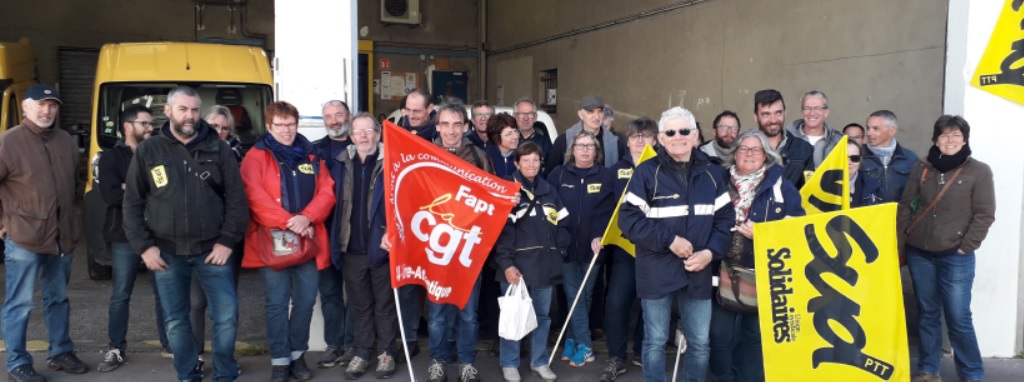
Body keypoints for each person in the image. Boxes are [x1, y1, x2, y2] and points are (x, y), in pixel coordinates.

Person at [123, 86, 249, 382]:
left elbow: (236, 201)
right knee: (176, 321)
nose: (189, 115)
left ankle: (224, 373)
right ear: (167, 112)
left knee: (227, 317)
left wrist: (227, 241)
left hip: (212, 252)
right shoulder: (148, 150)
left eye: (194, 109)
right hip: (166, 253)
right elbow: (132, 205)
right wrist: (144, 248)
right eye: (182, 109)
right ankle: (188, 374)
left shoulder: (218, 148)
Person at [618, 106, 734, 382]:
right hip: (656, 271)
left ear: (695, 135)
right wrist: (669, 240)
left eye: (684, 130)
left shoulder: (713, 174)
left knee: (700, 344)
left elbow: (726, 221)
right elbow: (628, 220)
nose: (678, 136)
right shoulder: (646, 172)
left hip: (699, 270)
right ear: (660, 138)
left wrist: (710, 253)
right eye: (670, 132)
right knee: (655, 341)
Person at [240, 101, 336, 381]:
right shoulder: (255, 157)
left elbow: (327, 191)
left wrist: (307, 217)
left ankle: (298, 356)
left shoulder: (311, 155)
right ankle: (280, 361)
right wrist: (290, 222)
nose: (286, 130)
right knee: (277, 305)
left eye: (291, 124)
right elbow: (254, 197)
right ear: (269, 127)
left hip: (307, 241)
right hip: (273, 243)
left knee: (305, 303)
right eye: (279, 125)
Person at [0, 84, 88, 381]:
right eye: (40, 104)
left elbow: (73, 184)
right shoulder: (8, 142)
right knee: (20, 302)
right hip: (24, 237)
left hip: (61, 236)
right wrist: (4, 221)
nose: (47, 110)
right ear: (25, 106)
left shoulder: (64, 140)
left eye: (52, 105)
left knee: (58, 297)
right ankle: (17, 362)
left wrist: (73, 217)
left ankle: (60, 351)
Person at [898, 115, 995, 382]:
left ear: (964, 140)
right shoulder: (922, 168)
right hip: (920, 253)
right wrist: (902, 243)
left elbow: (985, 214)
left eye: (956, 136)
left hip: (955, 257)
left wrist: (966, 247)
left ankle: (972, 374)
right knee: (927, 313)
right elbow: (906, 205)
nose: (949, 140)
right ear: (935, 139)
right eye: (944, 135)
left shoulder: (979, 171)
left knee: (958, 317)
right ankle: (929, 370)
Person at [708, 130, 804, 382]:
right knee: (719, 334)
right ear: (734, 153)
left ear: (766, 155)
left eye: (756, 149)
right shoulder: (717, 180)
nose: (749, 154)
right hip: (721, 270)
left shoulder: (781, 185)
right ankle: (721, 377)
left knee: (754, 336)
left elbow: (797, 227)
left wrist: (763, 233)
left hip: (763, 272)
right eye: (743, 148)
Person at [424, 104, 494, 382]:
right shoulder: (425, 154)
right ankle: (437, 360)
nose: (451, 130)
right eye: (445, 124)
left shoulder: (478, 155)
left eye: (457, 125)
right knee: (437, 314)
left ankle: (466, 362)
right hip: (436, 246)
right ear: (437, 126)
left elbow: (491, 196)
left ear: (466, 127)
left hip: (468, 247)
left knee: (468, 314)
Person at [97, 104, 169, 372]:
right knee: (120, 294)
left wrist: (130, 187)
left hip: (158, 235)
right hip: (124, 235)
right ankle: (116, 347)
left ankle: (169, 344)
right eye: (145, 124)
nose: (151, 128)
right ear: (128, 127)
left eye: (152, 124)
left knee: (164, 292)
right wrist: (140, 190)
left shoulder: (158, 155)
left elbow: (165, 191)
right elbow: (111, 195)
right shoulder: (111, 158)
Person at [494, 141, 567, 382]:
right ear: (516, 163)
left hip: (546, 267)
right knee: (513, 316)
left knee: (542, 317)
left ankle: (539, 361)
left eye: (535, 160)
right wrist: (506, 264)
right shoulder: (508, 190)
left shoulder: (548, 190)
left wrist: (560, 251)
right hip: (517, 268)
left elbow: (563, 224)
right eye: (526, 160)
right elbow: (498, 231)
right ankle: (510, 363)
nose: (531, 164)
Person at [338, 114, 399, 380]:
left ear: (377, 134)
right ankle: (362, 353)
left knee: (384, 305)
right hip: (351, 248)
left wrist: (393, 232)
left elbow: (403, 203)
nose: (363, 136)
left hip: (382, 249)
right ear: (351, 136)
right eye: (358, 132)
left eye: (368, 131)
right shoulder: (340, 163)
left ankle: (386, 353)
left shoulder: (392, 163)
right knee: (360, 306)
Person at [548, 132, 615, 368]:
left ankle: (572, 341)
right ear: (572, 150)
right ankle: (584, 346)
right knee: (573, 295)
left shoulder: (605, 176)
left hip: (593, 249)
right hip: (565, 248)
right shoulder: (559, 174)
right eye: (580, 145)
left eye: (590, 146)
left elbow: (607, 211)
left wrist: (599, 234)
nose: (585, 150)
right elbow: (550, 207)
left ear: (596, 151)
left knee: (583, 296)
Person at [600, 117, 658, 381]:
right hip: (625, 248)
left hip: (656, 250)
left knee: (652, 305)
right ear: (627, 140)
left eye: (645, 136)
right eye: (634, 136)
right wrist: (598, 235)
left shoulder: (663, 168)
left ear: (655, 140)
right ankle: (616, 357)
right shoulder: (615, 170)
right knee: (615, 303)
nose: (639, 140)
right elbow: (604, 208)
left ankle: (643, 353)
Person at [189, 105, 247, 369]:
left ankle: (225, 357)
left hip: (228, 239)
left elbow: (240, 201)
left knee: (225, 305)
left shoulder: (240, 155)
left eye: (225, 128)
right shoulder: (188, 151)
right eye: (215, 127)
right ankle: (195, 356)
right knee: (196, 302)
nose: (220, 132)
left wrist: (229, 237)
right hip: (195, 239)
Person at [313, 99, 357, 369]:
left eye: (339, 115)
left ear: (348, 116)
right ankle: (334, 345)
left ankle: (353, 344)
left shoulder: (364, 147)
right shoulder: (314, 151)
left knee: (356, 294)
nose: (334, 121)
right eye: (328, 116)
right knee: (329, 293)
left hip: (354, 234)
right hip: (323, 234)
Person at [546, 95, 624, 175]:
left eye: (600, 111)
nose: (596, 117)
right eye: (590, 112)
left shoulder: (615, 143)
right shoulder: (564, 140)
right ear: (580, 114)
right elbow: (550, 175)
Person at [752, 89, 814, 189]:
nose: (773, 120)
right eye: (766, 114)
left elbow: (810, 190)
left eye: (778, 113)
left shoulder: (804, 149)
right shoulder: (744, 149)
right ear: (755, 117)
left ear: (785, 112)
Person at [861, 110, 919, 202]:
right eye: (868, 128)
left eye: (876, 129)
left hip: (898, 215)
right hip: (867, 215)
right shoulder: (857, 157)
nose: (869, 133)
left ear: (891, 131)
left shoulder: (910, 159)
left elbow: (917, 194)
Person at [785, 90, 843, 167]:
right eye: (807, 108)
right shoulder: (786, 139)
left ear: (826, 112)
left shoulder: (838, 141)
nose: (812, 113)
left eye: (817, 108)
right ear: (802, 112)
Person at [847, 141, 882, 207]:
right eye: (843, 158)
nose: (849, 162)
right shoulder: (823, 185)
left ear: (860, 160)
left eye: (855, 158)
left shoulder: (874, 186)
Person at [485, 113, 520, 178]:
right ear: (496, 137)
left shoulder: (524, 154)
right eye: (509, 134)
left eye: (516, 131)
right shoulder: (485, 156)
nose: (515, 137)